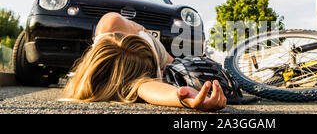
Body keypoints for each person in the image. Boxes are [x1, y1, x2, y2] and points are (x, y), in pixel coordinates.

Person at [60, 12, 227, 111]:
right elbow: (145, 87)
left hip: (149, 48)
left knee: (175, 64)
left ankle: (169, 65)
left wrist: (141, 31)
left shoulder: (111, 23)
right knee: (175, 66)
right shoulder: (137, 81)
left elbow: (143, 86)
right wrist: (183, 97)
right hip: (150, 54)